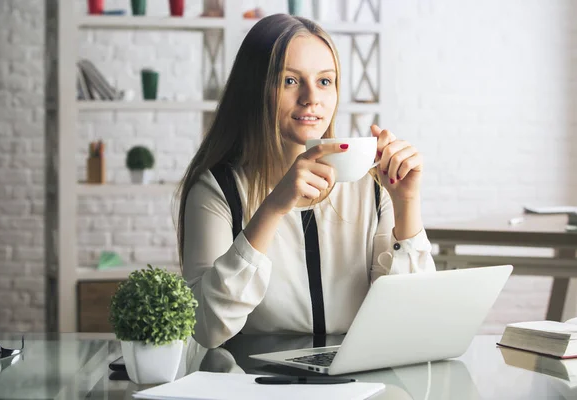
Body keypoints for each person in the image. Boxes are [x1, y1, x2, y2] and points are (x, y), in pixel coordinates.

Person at [176, 14, 436, 349]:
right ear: (254, 89)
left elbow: (412, 321)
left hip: (355, 379)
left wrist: (407, 203)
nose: (311, 98)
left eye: (325, 81)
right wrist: (273, 207)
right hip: (252, 381)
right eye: (289, 81)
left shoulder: (370, 186)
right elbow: (207, 328)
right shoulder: (217, 190)